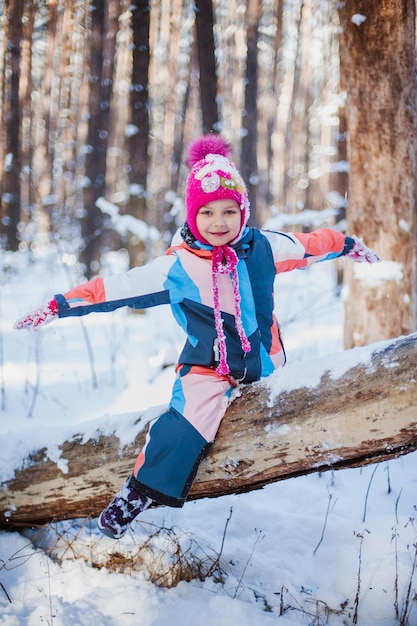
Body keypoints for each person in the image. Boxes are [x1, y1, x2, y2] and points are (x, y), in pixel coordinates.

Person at [14, 134, 381, 539]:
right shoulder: (178, 267)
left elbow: (313, 245)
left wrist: (348, 245)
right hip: (208, 365)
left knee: (297, 404)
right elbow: (114, 289)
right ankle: (137, 492)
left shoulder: (264, 247)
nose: (219, 222)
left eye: (229, 211)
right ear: (192, 216)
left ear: (242, 212)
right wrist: (59, 304)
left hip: (264, 359)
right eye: (206, 213)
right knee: (185, 422)